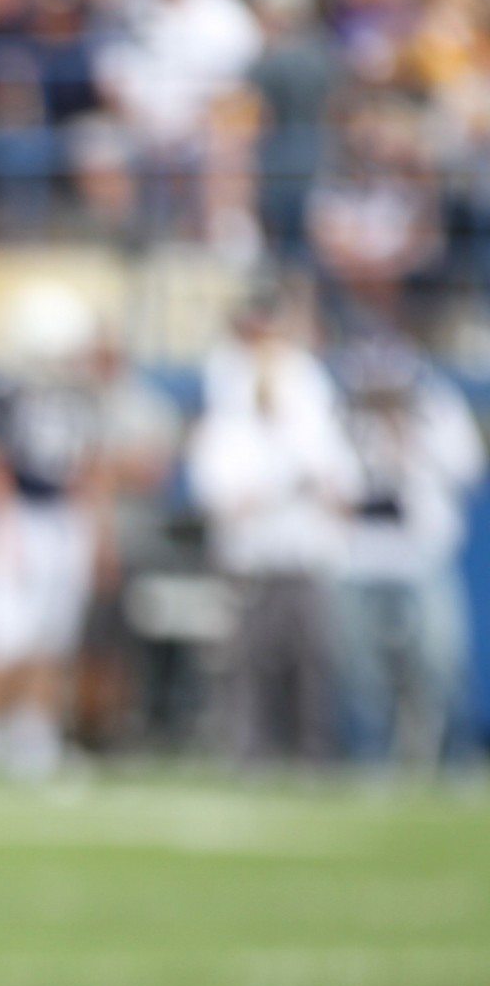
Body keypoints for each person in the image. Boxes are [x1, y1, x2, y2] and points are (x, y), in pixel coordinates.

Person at [188, 288, 359, 766]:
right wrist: (286, 484)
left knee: (315, 660)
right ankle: (248, 753)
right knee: (249, 661)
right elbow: (226, 501)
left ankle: (315, 754)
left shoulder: (312, 418)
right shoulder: (226, 425)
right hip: (251, 559)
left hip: (304, 554)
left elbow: (339, 491)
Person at [0, 280, 102, 782]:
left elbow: (88, 465)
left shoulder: (80, 394)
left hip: (62, 519)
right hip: (19, 517)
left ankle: (34, 733)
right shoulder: (8, 393)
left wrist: (90, 528)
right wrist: (1, 525)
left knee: (51, 633)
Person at [329, 334, 485, 768]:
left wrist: (410, 443)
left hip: (423, 557)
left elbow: (467, 471)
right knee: (363, 671)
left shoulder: (437, 412)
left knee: (440, 662)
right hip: (361, 558)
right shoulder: (343, 417)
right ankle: (372, 757)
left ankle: (454, 757)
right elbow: (332, 484)